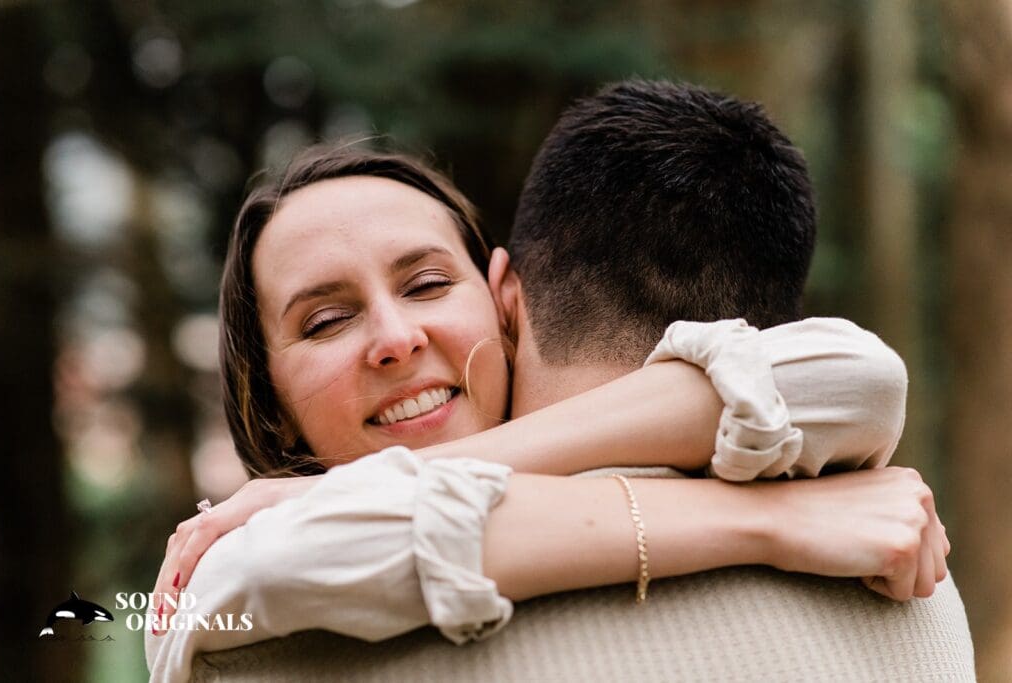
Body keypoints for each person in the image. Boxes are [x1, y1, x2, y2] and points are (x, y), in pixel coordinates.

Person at [146, 82, 960, 682]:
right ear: (272, 406)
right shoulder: (222, 569)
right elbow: (312, 547)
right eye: (325, 322)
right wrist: (771, 521)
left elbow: (860, 375)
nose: (396, 339)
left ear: (503, 303)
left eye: (427, 284)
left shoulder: (843, 493)